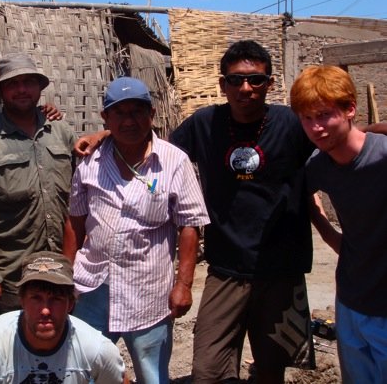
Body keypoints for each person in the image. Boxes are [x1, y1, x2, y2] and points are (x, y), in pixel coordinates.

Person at [75, 41, 316, 383]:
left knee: (271, 367)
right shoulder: (206, 123)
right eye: (235, 80)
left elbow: (341, 140)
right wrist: (107, 133)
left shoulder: (293, 124)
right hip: (226, 266)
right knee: (208, 370)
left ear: (270, 83)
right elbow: (150, 141)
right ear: (223, 85)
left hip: (281, 268)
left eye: (256, 80)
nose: (245, 88)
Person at [65, 77, 209, 384]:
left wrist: (183, 283)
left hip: (147, 290)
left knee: (152, 374)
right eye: (119, 113)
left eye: (137, 112)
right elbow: (75, 221)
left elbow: (189, 226)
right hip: (92, 286)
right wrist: (66, 278)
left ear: (152, 114)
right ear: (105, 118)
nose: (129, 121)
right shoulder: (90, 162)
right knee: (80, 370)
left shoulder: (174, 161)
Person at [290, 65, 387, 383]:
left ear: (350, 109)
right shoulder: (318, 167)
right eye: (307, 118)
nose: (316, 128)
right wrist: (325, 228)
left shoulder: (382, 157)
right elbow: (307, 200)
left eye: (324, 115)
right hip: (350, 303)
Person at [0, 53, 76, 319]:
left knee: (59, 348)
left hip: (62, 267)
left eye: (28, 82)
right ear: (1, 91)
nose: (22, 89)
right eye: (13, 84)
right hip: (12, 275)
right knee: (12, 351)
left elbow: (84, 191)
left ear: (40, 88)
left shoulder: (60, 130)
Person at [0, 251, 126, 383]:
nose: (45, 310)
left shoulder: (96, 348)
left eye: (56, 299)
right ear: (21, 301)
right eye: (36, 298)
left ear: (71, 304)